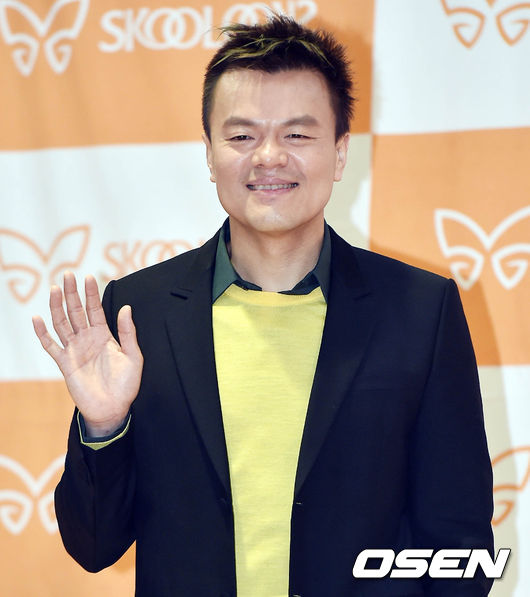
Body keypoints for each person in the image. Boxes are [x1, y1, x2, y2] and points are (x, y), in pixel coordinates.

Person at [33, 15, 494, 597]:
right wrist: (104, 426)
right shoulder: (138, 314)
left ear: (340, 153)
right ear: (209, 154)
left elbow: (460, 548)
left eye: (297, 135)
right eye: (242, 137)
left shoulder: (420, 312)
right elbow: (93, 546)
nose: (269, 157)